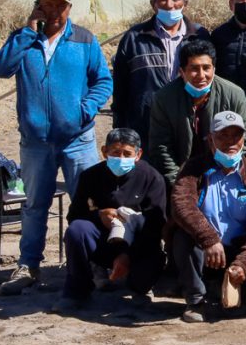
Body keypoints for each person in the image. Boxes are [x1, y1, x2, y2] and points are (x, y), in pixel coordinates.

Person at [0, 0, 113, 295]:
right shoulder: (24, 40)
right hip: (35, 142)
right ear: (38, 6)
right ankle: (29, 265)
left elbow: (103, 81)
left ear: (69, 8)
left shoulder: (84, 40)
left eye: (60, 4)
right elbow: (0, 68)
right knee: (34, 206)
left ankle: (97, 264)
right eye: (48, 4)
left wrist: (84, 110)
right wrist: (27, 32)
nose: (54, 10)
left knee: (88, 204)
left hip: (78, 141)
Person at [169, 111, 246, 323]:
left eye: (236, 136)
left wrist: (243, 263)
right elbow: (181, 205)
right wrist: (209, 239)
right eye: (223, 135)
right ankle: (196, 300)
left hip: (236, 249)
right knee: (183, 239)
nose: (230, 141)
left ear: (243, 139)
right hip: (203, 248)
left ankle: (226, 295)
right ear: (211, 139)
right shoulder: (193, 168)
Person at [54, 128, 166, 312]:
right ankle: (76, 291)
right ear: (104, 152)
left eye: (127, 153)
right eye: (115, 152)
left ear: (138, 155)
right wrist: (99, 215)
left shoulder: (152, 178)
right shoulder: (90, 176)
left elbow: (155, 225)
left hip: (138, 244)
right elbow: (74, 215)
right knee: (77, 230)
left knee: (143, 275)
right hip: (103, 242)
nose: (121, 158)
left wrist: (127, 256)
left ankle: (139, 288)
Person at [112, 0, 211, 147]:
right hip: (145, 126)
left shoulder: (199, 36)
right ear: (153, 4)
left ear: (184, 3)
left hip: (189, 123)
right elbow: (121, 87)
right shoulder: (135, 38)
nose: (169, 4)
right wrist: (120, 127)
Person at [148, 39, 246, 186]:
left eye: (206, 68)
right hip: (179, 175)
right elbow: (161, 148)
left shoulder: (234, 94)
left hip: (223, 174)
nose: (201, 75)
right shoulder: (163, 99)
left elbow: (244, 138)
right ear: (181, 72)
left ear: (214, 69)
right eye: (194, 68)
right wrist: (180, 183)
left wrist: (220, 174)